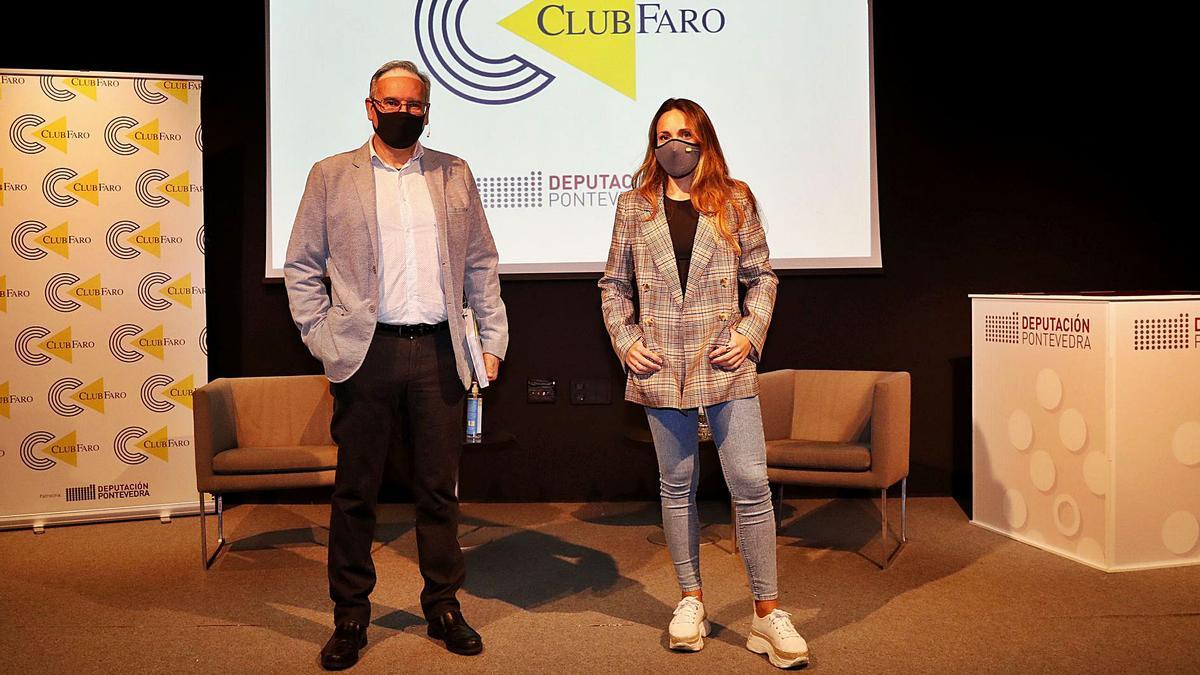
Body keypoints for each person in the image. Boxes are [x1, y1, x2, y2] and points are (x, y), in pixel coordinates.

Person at [284, 59, 508, 670]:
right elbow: (303, 266)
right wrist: (319, 336)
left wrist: (492, 340)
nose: (403, 112)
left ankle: (443, 606)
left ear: (427, 110)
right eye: (392, 102)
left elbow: (481, 263)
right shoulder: (331, 175)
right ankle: (350, 616)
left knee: (439, 490)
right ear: (370, 106)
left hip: (441, 351)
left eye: (415, 104)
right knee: (356, 492)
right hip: (365, 354)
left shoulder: (454, 173)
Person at [598, 98, 807, 668]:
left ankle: (768, 614)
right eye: (663, 135)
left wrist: (749, 334)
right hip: (660, 365)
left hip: (726, 363)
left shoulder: (735, 200)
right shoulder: (632, 207)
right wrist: (626, 341)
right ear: (653, 143)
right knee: (676, 484)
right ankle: (690, 599)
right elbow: (613, 285)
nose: (674, 144)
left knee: (750, 483)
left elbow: (761, 277)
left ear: (704, 140)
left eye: (684, 134)